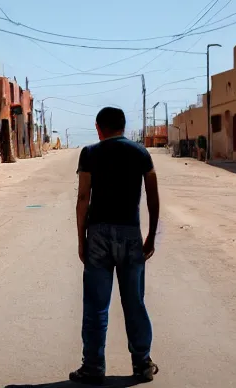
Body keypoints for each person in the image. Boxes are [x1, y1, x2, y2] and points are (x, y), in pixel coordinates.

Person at [70, 107, 160, 385]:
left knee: (96, 305)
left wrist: (81, 239)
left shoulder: (89, 153)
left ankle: (94, 367)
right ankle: (142, 364)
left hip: (98, 234)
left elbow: (83, 197)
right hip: (131, 234)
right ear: (123, 126)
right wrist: (151, 235)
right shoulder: (141, 153)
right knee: (134, 302)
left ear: (99, 128)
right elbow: (153, 198)